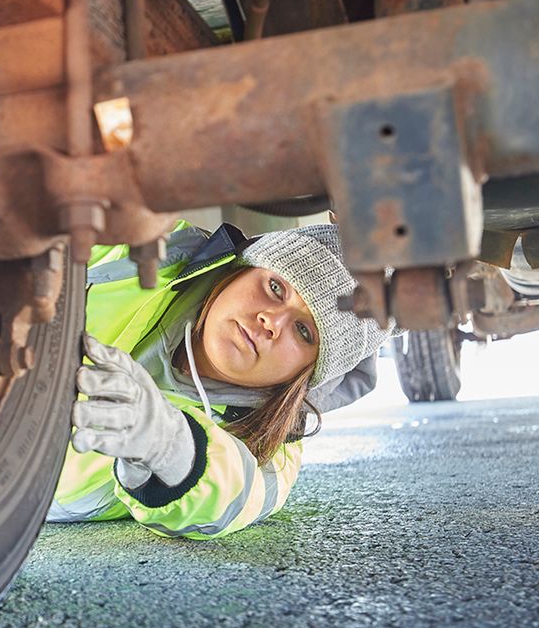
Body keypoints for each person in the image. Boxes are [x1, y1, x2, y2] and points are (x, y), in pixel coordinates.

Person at [47, 221, 392, 539]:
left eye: (304, 331)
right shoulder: (154, 250)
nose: (271, 321)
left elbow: (237, 494)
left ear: (307, 374)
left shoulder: (271, 447)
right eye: (275, 288)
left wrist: (173, 448)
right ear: (241, 270)